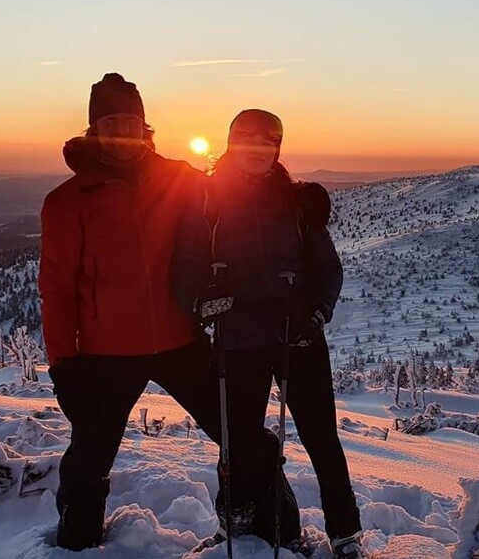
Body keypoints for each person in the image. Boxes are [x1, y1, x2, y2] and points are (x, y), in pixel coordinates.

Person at [38, 75, 297, 551]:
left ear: (144, 127)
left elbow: (242, 193)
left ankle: (275, 530)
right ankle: (76, 541)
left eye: (131, 122)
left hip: (182, 341)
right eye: (111, 122)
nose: (123, 131)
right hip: (105, 352)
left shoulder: (179, 177)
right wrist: (63, 364)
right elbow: (55, 289)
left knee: (240, 435)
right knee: (89, 457)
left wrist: (297, 196)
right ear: (94, 128)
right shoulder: (67, 202)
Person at [176, 109, 364, 559]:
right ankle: (236, 525)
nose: (256, 154)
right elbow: (187, 267)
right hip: (240, 339)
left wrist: (316, 312)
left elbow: (327, 268)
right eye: (247, 144)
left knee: (320, 436)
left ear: (277, 150)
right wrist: (203, 301)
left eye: (266, 146)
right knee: (238, 441)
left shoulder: (298, 203)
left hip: (295, 335)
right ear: (230, 144)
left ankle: (345, 535)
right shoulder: (204, 201)